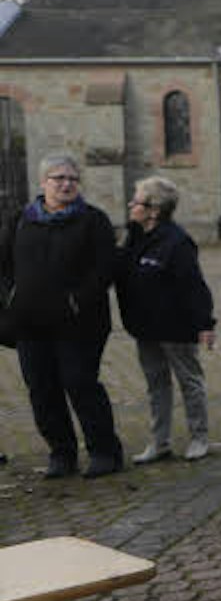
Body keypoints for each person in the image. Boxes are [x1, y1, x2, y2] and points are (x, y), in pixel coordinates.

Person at [3, 153, 121, 478]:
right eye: (59, 178)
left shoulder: (93, 220)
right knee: (42, 389)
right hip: (30, 324)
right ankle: (62, 453)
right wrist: (10, 298)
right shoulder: (21, 219)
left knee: (80, 383)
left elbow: (105, 268)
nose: (67, 184)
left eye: (72, 178)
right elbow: (4, 265)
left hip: (79, 323)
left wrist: (76, 301)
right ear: (43, 183)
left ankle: (104, 452)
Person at [117, 176, 216, 464]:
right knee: (156, 385)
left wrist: (205, 324)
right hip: (145, 327)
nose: (131, 205)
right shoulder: (135, 237)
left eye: (136, 201)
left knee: (189, 382)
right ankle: (159, 442)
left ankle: (199, 437)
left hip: (176, 328)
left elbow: (194, 286)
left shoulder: (177, 242)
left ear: (154, 210)